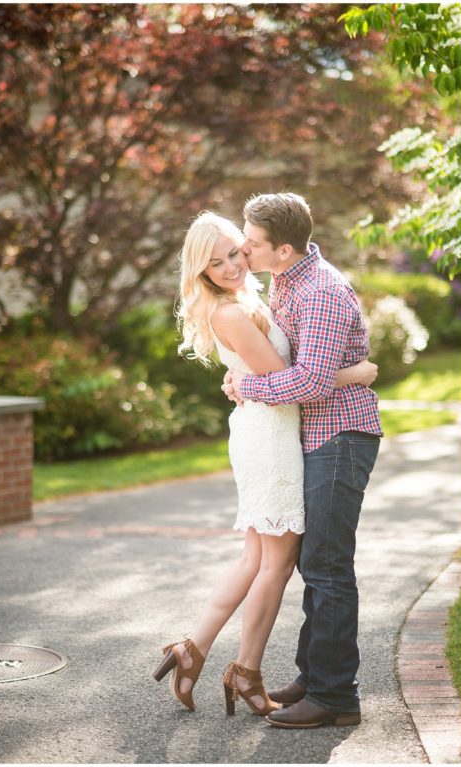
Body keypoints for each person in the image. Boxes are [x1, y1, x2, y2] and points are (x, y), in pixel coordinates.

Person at [153, 212, 377, 717]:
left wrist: (244, 383)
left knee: (257, 559)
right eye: (217, 262)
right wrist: (357, 373)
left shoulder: (253, 296)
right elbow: (291, 383)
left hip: (268, 433)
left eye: (237, 250)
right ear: (201, 271)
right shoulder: (231, 311)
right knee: (274, 562)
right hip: (271, 438)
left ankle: (195, 651)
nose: (233, 264)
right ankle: (246, 670)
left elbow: (283, 376)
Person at [221, 192, 383, 729]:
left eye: (254, 241)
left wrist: (249, 383)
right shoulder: (288, 280)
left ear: (284, 249)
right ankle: (314, 677)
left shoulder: (320, 292)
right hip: (315, 436)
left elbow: (311, 382)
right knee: (318, 560)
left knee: (327, 565)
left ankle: (336, 696)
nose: (244, 246)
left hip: (340, 435)